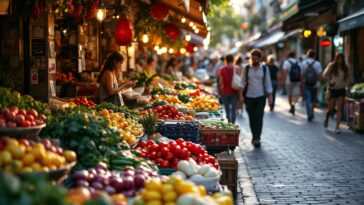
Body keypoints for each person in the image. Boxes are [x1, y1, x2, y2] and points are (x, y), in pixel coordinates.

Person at [241, 49, 273, 147]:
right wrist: (240, 97)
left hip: (261, 96)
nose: (254, 60)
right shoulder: (246, 68)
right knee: (251, 117)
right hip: (249, 97)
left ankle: (257, 138)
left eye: (256, 58)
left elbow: (268, 82)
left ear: (259, 58)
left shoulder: (264, 69)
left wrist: (270, 96)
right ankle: (254, 136)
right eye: (252, 58)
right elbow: (242, 83)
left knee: (259, 117)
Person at [323, 53, 350, 133]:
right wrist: (329, 81)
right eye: (339, 58)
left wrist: (347, 85)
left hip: (341, 90)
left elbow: (348, 78)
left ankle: (337, 127)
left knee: (339, 108)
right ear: (336, 58)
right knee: (330, 109)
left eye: (342, 59)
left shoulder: (345, 68)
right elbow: (324, 75)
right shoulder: (331, 65)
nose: (340, 60)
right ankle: (327, 118)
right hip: (332, 89)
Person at [219, 54, 242, 124]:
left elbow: (220, 82)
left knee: (227, 109)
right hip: (234, 92)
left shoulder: (222, 69)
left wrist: (221, 89)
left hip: (225, 92)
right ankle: (233, 124)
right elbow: (239, 80)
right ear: (233, 60)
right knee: (233, 110)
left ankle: (229, 121)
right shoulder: (237, 68)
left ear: (225, 60)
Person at [301, 49, 322, 121]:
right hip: (315, 84)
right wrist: (319, 82)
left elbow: (302, 75)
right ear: (314, 56)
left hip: (306, 83)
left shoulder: (303, 63)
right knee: (313, 100)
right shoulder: (317, 63)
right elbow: (319, 75)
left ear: (307, 55)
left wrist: (301, 83)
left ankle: (309, 113)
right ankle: (312, 112)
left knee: (307, 99)